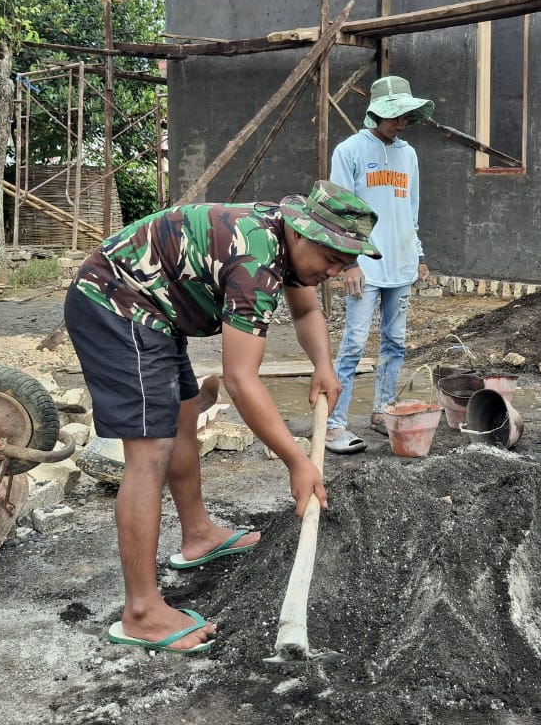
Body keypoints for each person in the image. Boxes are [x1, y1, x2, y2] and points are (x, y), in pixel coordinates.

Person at [65, 180, 382, 653]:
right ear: (300, 233)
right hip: (115, 302)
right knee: (149, 452)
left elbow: (304, 312)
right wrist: (297, 462)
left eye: (344, 263)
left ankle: (198, 536)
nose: (335, 271)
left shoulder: (290, 246)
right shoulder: (256, 258)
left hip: (157, 311)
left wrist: (323, 364)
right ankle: (141, 613)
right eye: (332, 259)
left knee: (183, 415)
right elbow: (240, 378)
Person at [324, 75, 434, 455]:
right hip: (365, 267)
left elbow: (411, 210)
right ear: (375, 113)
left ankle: (383, 408)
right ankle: (334, 425)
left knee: (395, 342)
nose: (401, 122)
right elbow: (340, 211)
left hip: (401, 265)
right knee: (354, 344)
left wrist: (419, 255)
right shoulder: (350, 151)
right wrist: (348, 263)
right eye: (394, 115)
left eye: (405, 115)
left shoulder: (409, 155)